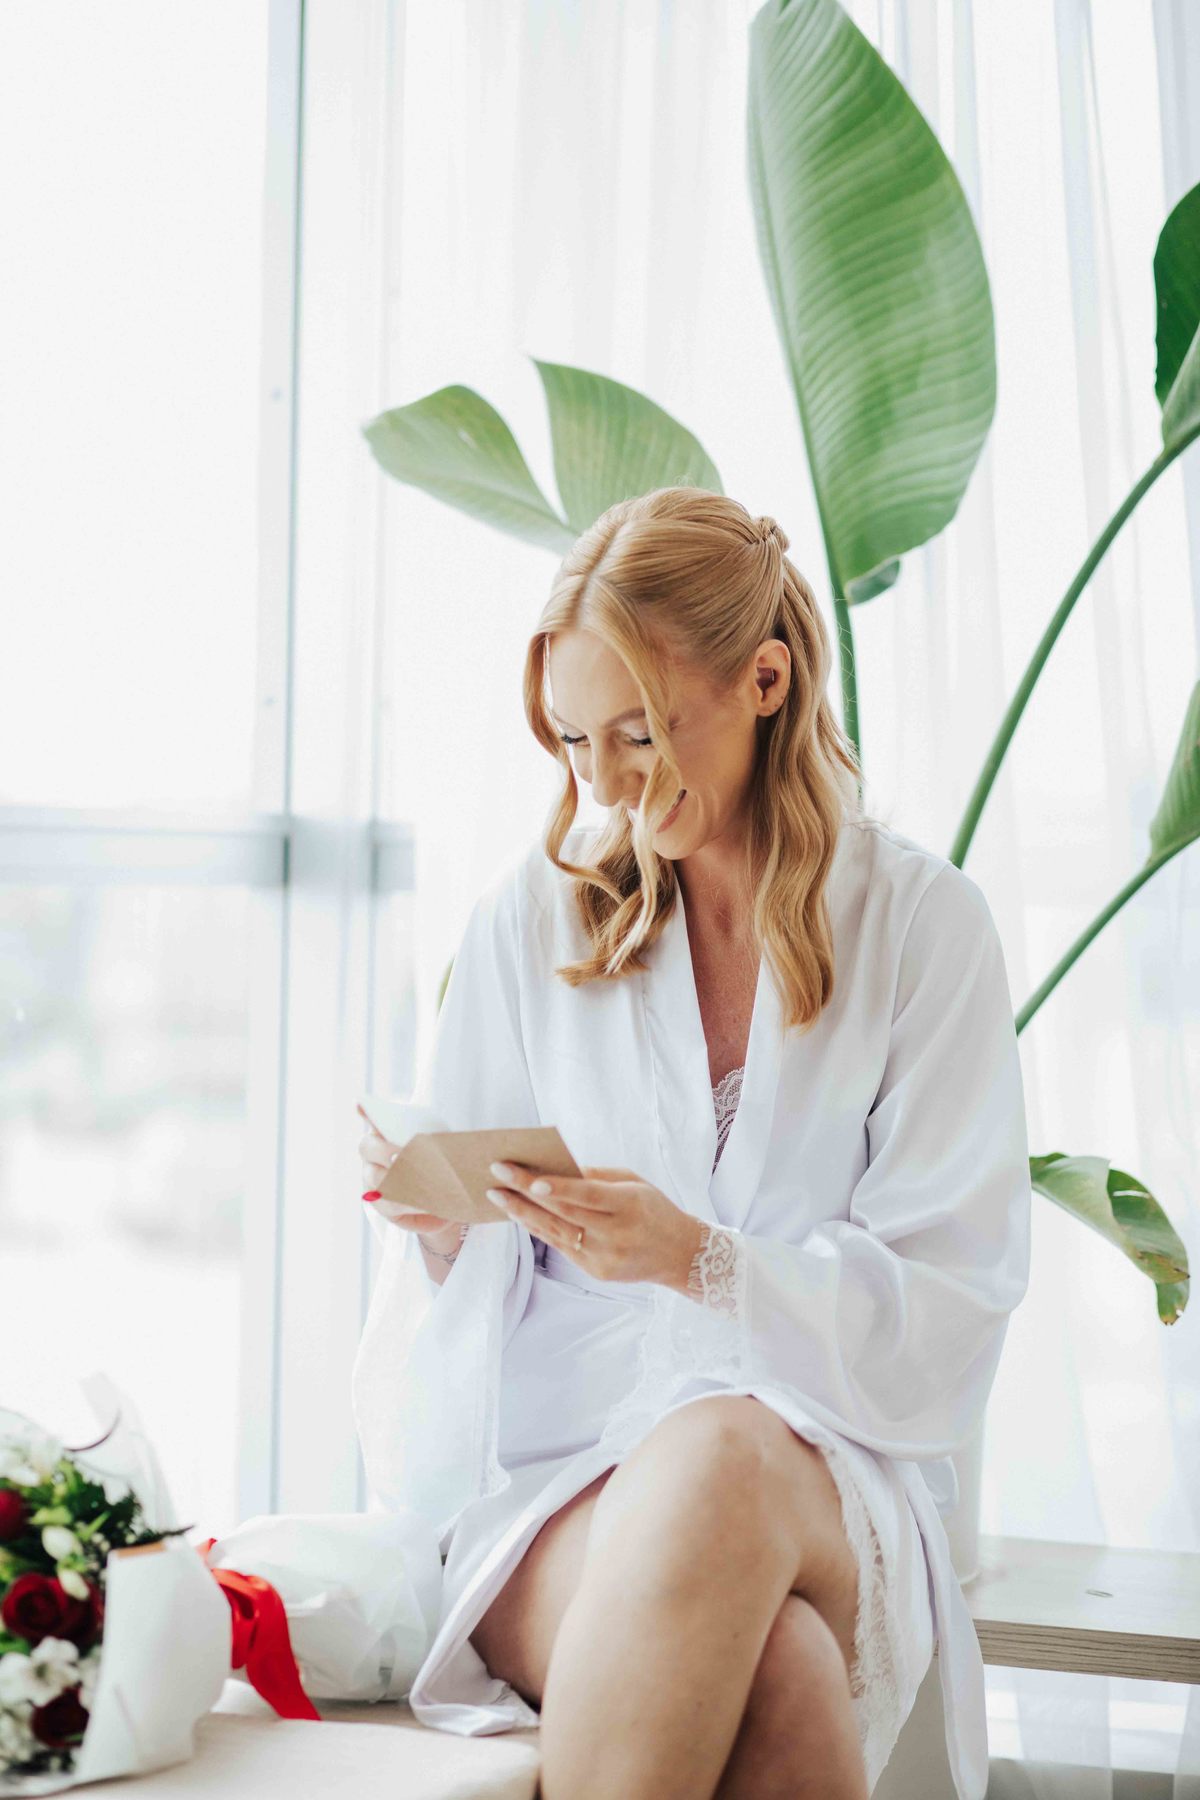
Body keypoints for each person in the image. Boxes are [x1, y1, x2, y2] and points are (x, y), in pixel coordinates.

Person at [352, 486, 1031, 1800]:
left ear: (764, 681)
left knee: (719, 1451)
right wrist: (443, 1231)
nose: (601, 784)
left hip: (817, 1474)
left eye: (639, 733)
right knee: (781, 1674)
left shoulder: (922, 928)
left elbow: (949, 1306)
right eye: (572, 739)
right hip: (564, 1484)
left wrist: (700, 1259)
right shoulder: (531, 921)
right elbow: (475, 1299)